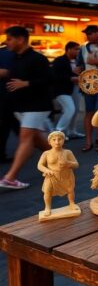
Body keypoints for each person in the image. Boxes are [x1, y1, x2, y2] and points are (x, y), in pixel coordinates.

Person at [0, 26, 52, 189]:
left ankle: (10, 177)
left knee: (25, 138)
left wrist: (26, 83)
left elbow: (49, 80)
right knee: (36, 139)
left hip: (37, 106)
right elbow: (13, 76)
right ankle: (60, 160)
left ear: (20, 39)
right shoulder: (15, 58)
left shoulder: (38, 58)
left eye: (9, 39)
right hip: (20, 106)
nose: (6, 42)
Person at [51, 41, 80, 137]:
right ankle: (58, 132)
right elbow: (54, 76)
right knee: (69, 109)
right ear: (69, 49)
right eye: (76, 49)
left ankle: (72, 131)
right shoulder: (59, 60)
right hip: (61, 90)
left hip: (75, 88)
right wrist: (71, 78)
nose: (78, 51)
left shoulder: (78, 61)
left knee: (75, 110)